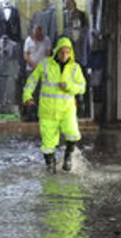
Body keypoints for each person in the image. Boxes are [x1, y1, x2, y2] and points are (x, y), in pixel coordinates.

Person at [23, 36, 85, 172]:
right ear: (57, 51)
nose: (64, 55)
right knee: (48, 143)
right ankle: (50, 167)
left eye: (67, 52)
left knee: (73, 133)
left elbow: (82, 87)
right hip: (47, 111)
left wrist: (69, 87)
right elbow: (32, 81)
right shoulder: (45, 64)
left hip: (67, 110)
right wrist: (27, 96)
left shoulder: (75, 68)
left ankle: (68, 156)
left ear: (71, 52)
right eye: (62, 52)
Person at [21, 25, 49, 121]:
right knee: (30, 91)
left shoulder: (46, 40)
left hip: (43, 70)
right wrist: (33, 64)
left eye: (39, 34)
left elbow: (48, 55)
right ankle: (30, 114)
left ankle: (40, 114)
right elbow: (25, 55)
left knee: (41, 91)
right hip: (30, 69)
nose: (37, 37)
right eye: (35, 34)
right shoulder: (28, 40)